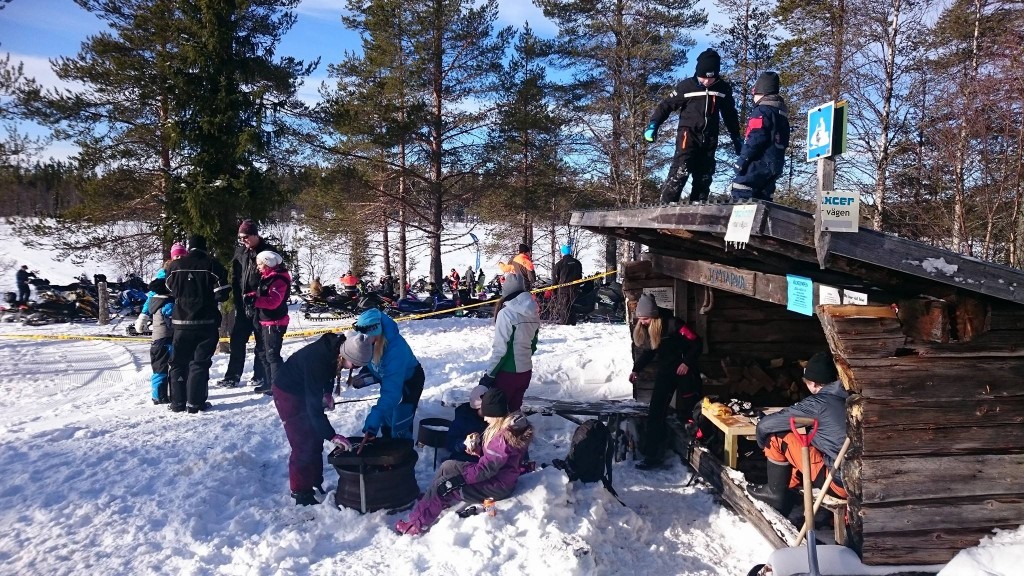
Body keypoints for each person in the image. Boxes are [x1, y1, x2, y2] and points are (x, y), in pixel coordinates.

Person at [396, 387, 534, 535]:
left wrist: (458, 480)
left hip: (497, 485)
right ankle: (433, 499)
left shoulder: (502, 437)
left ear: (495, 414)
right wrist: (478, 451)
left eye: (487, 415)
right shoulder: (502, 430)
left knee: (444, 486)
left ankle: (416, 524)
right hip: (497, 477)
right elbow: (497, 460)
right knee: (448, 466)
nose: (485, 418)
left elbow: (486, 469)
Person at [271, 330, 366, 506]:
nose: (354, 369)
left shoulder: (335, 350)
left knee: (314, 438)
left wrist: (327, 393)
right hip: (288, 393)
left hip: (304, 390)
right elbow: (314, 409)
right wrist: (332, 435)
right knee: (302, 441)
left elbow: (330, 374)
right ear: (345, 354)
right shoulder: (318, 360)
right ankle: (301, 491)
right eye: (354, 365)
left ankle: (314, 481)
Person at [747, 351, 848, 515]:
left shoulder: (818, 403)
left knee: (777, 438)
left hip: (839, 482)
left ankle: (775, 493)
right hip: (860, 476)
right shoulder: (849, 396)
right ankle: (789, 489)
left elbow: (765, 426)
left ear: (814, 383)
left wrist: (762, 445)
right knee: (800, 442)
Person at [644, 48, 743, 203]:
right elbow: (665, 106)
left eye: (711, 78)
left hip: (710, 135)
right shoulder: (686, 87)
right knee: (681, 169)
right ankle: (667, 204)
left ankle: (698, 204)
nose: (707, 82)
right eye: (703, 78)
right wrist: (654, 124)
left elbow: (730, 114)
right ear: (698, 73)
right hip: (688, 133)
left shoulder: (723, 89)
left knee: (705, 173)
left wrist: (736, 136)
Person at [629, 293, 702, 470]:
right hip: (667, 372)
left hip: (685, 371)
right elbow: (649, 352)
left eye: (645, 318)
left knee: (690, 412)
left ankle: (699, 453)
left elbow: (697, 342)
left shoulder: (674, 324)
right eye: (640, 319)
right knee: (655, 412)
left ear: (653, 315)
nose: (643, 322)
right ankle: (652, 456)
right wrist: (636, 369)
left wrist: (686, 362)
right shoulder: (648, 328)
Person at [164, 235, 230, 414]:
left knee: (178, 362)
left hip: (180, 321)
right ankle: (195, 403)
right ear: (204, 247)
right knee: (199, 363)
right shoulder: (212, 265)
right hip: (205, 321)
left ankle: (177, 403)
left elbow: (169, 288)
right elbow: (222, 293)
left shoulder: (174, 266)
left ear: (189, 247)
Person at [351, 308, 425, 448]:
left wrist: (372, 423)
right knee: (386, 417)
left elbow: (392, 393)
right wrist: (363, 370)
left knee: (399, 422)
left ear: (376, 332)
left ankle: (403, 455)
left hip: (408, 382)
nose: (363, 339)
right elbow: (371, 361)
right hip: (388, 377)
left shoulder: (396, 351)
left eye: (367, 336)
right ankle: (386, 447)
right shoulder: (371, 341)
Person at [220, 219, 279, 389]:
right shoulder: (241, 252)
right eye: (241, 237)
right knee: (237, 341)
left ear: (255, 235)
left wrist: (261, 298)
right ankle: (233, 376)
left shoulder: (267, 252)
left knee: (261, 343)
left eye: (246, 237)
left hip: (260, 306)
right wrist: (239, 301)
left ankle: (259, 375)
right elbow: (236, 277)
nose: (243, 240)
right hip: (243, 304)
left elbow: (273, 278)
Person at [478, 271, 539, 412]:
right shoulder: (534, 312)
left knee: (498, 416)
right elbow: (533, 346)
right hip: (525, 372)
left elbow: (501, 349)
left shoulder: (506, 314)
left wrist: (489, 376)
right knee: (513, 414)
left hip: (507, 374)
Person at [730, 71, 791, 202]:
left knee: (741, 189)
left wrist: (742, 161)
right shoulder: (781, 114)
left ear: (760, 92)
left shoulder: (761, 111)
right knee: (764, 200)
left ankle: (742, 221)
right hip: (774, 166)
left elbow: (755, 138)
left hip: (757, 164)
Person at [245, 251, 291, 395]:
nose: (258, 267)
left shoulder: (278, 279)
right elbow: (263, 293)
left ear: (268, 263)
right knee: (264, 353)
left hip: (275, 321)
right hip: (265, 321)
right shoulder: (267, 278)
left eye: (260, 264)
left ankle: (279, 385)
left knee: (272, 354)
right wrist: (251, 296)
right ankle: (268, 382)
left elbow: (274, 301)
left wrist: (256, 301)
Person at [135, 277, 174, 405]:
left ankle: (157, 395)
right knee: (168, 368)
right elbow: (172, 321)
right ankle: (163, 395)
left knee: (158, 369)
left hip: (157, 340)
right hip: (166, 340)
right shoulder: (168, 304)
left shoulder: (154, 301)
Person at [444, 384, 489, 463]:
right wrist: (464, 444)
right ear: (476, 408)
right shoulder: (463, 419)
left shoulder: (493, 419)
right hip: (463, 459)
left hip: (485, 461)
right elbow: (450, 443)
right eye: (484, 408)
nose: (488, 412)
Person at [552, 244, 583, 325]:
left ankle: (565, 324)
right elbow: (580, 276)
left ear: (562, 253)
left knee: (564, 308)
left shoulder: (559, 264)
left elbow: (555, 278)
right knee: (573, 307)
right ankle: (573, 324)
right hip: (575, 289)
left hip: (563, 290)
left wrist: (554, 291)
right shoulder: (577, 262)